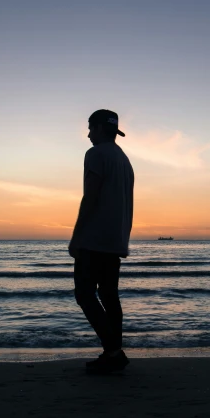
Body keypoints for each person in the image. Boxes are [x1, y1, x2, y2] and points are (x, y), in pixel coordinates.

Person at [69, 109, 135, 373]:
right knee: (109, 296)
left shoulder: (95, 154)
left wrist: (76, 235)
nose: (87, 134)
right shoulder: (124, 160)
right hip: (116, 239)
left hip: (94, 239)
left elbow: (91, 197)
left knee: (84, 294)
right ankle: (113, 353)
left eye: (90, 128)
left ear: (98, 129)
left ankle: (112, 351)